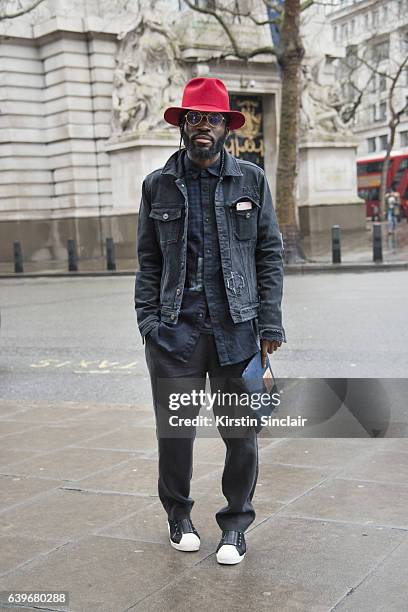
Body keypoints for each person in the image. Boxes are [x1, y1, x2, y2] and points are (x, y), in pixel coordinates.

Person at [135, 77, 286, 565]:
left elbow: (269, 255)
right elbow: (148, 262)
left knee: (241, 436)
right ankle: (178, 515)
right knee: (175, 434)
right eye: (195, 118)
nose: (204, 126)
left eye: (213, 119)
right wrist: (149, 323)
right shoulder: (158, 185)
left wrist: (270, 326)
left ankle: (235, 525)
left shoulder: (251, 180)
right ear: (183, 126)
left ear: (227, 128)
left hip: (237, 329)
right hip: (175, 331)